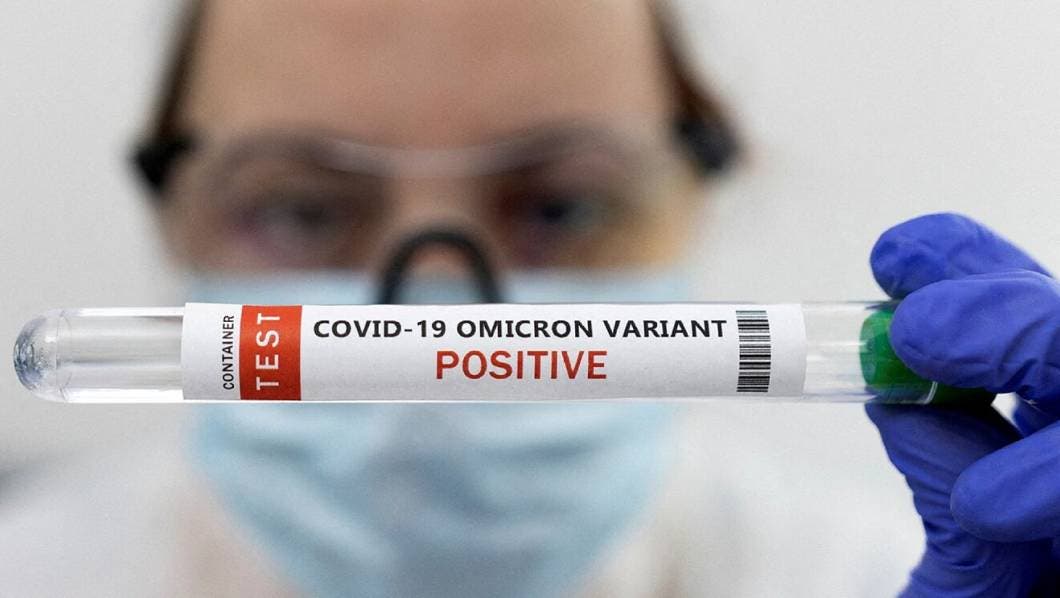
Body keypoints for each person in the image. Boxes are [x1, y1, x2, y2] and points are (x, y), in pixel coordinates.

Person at [1, 0, 1056, 596]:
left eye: (561, 205)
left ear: (697, 196)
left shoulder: (862, 573)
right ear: (174, 219)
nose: (439, 313)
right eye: (301, 210)